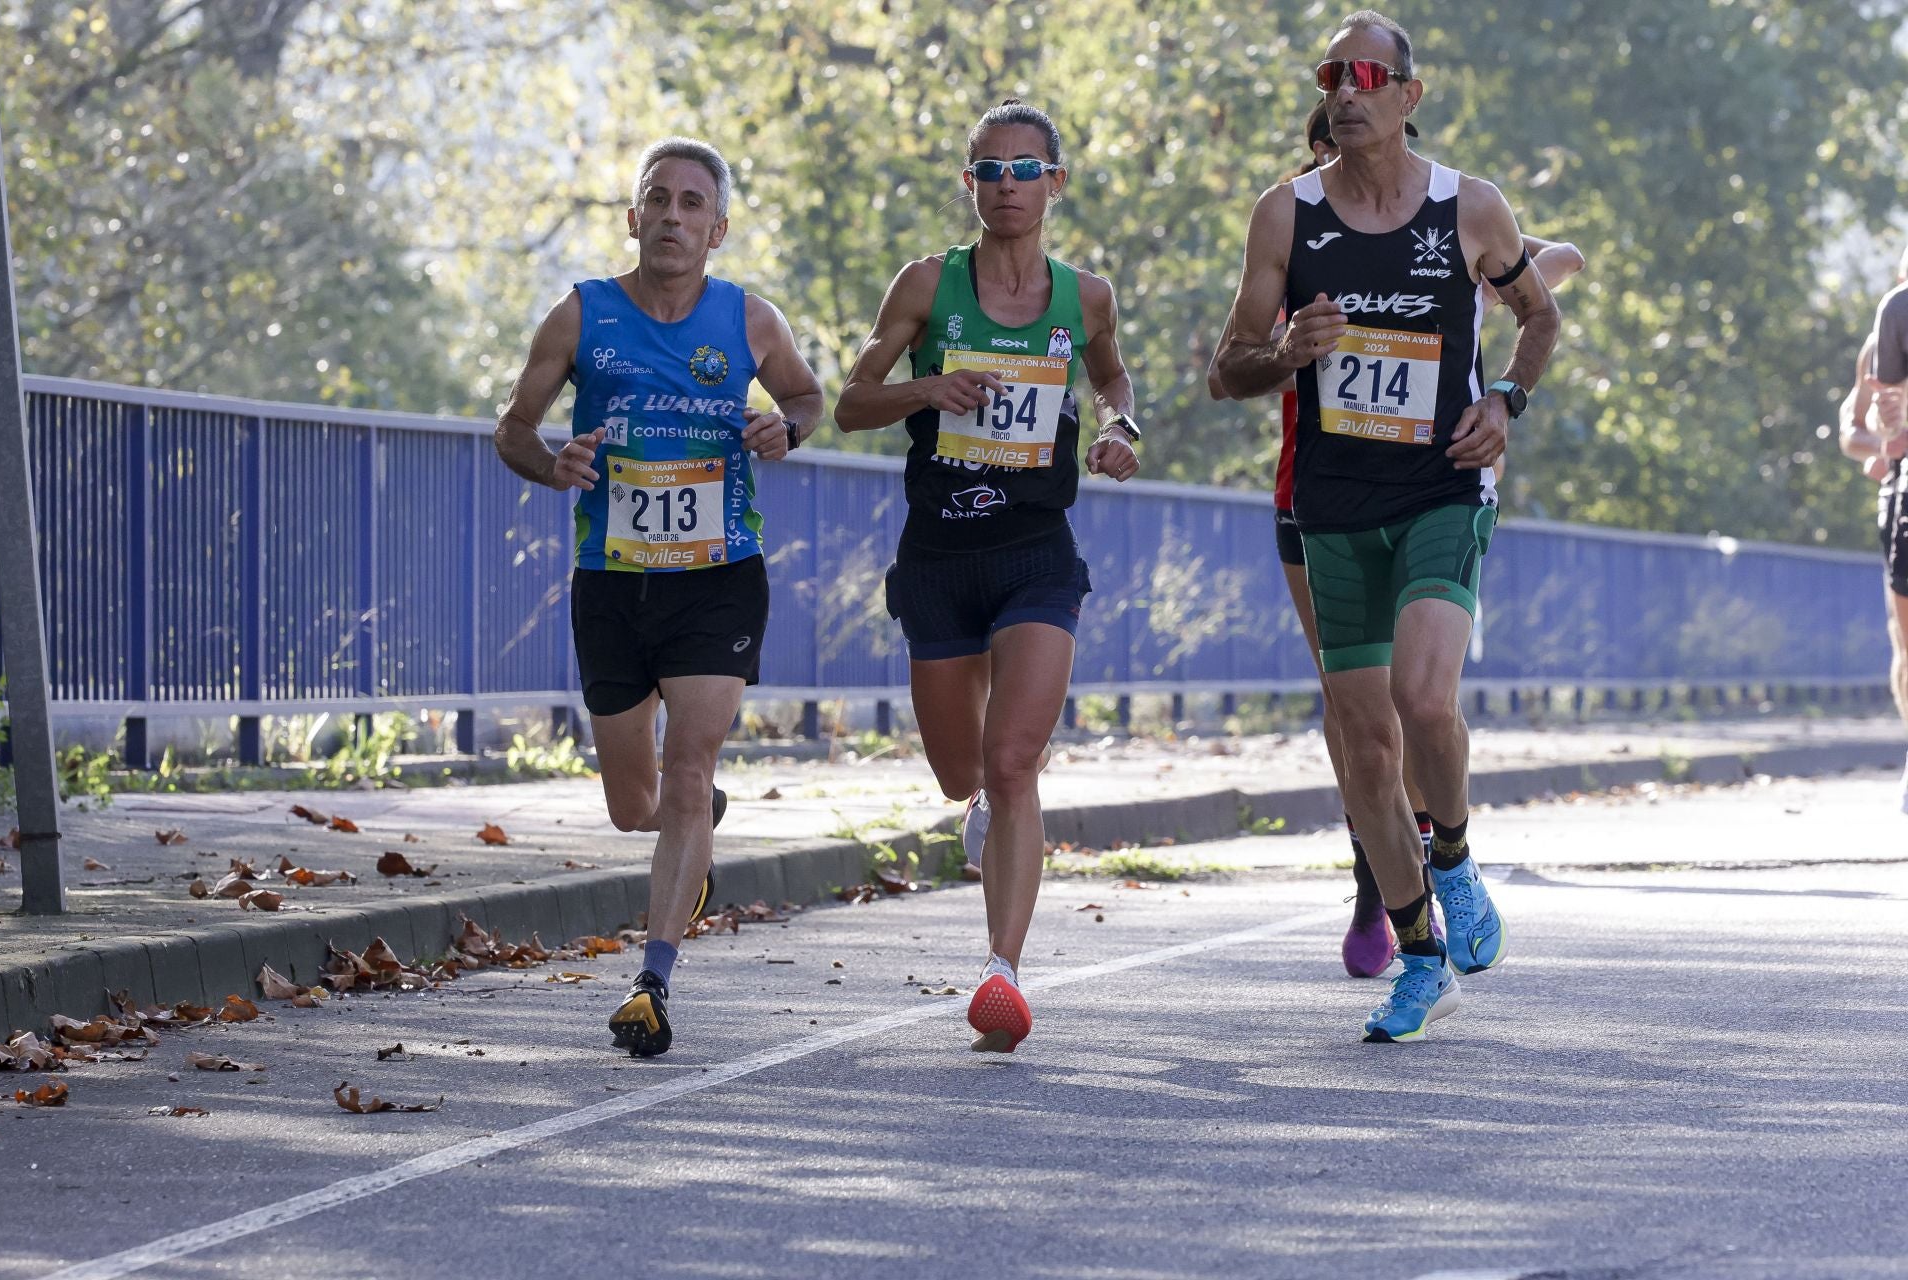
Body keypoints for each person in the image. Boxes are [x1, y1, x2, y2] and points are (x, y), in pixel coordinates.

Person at [1214, 10, 1561, 1041]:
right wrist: (1284, 352)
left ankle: (1450, 851)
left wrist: (1505, 402)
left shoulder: (1470, 207)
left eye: (1369, 73)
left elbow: (1540, 316)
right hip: (1332, 503)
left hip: (1441, 489)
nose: (1347, 89)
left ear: (1410, 94)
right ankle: (1419, 953)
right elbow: (1227, 367)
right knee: (1360, 740)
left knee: (1420, 696)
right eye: (1333, 74)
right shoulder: (1287, 215)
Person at [493, 137, 824, 1057]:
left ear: (716, 228)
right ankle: (696, 828)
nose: (673, 217)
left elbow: (806, 395)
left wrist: (782, 427)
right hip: (614, 581)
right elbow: (512, 429)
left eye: (692, 204)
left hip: (719, 578)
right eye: (658, 200)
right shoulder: (579, 316)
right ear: (633, 217)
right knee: (632, 804)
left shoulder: (750, 320)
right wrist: (549, 463)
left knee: (688, 769)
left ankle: (654, 981)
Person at [835, 99, 1141, 1053]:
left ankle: (1002, 972)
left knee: (1013, 762)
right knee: (959, 770)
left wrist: (1122, 428)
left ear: (1056, 182)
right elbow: (849, 403)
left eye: (1024, 169)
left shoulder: (1083, 296)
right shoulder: (928, 286)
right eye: (988, 170)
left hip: (1035, 553)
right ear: (968, 184)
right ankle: (982, 809)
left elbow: (1112, 379)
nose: (1006, 186)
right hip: (940, 558)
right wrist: (927, 388)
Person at [1838, 247, 1908, 811]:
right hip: (1899, 490)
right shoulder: (1880, 344)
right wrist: (1887, 448)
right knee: (1903, 635)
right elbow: (1853, 434)